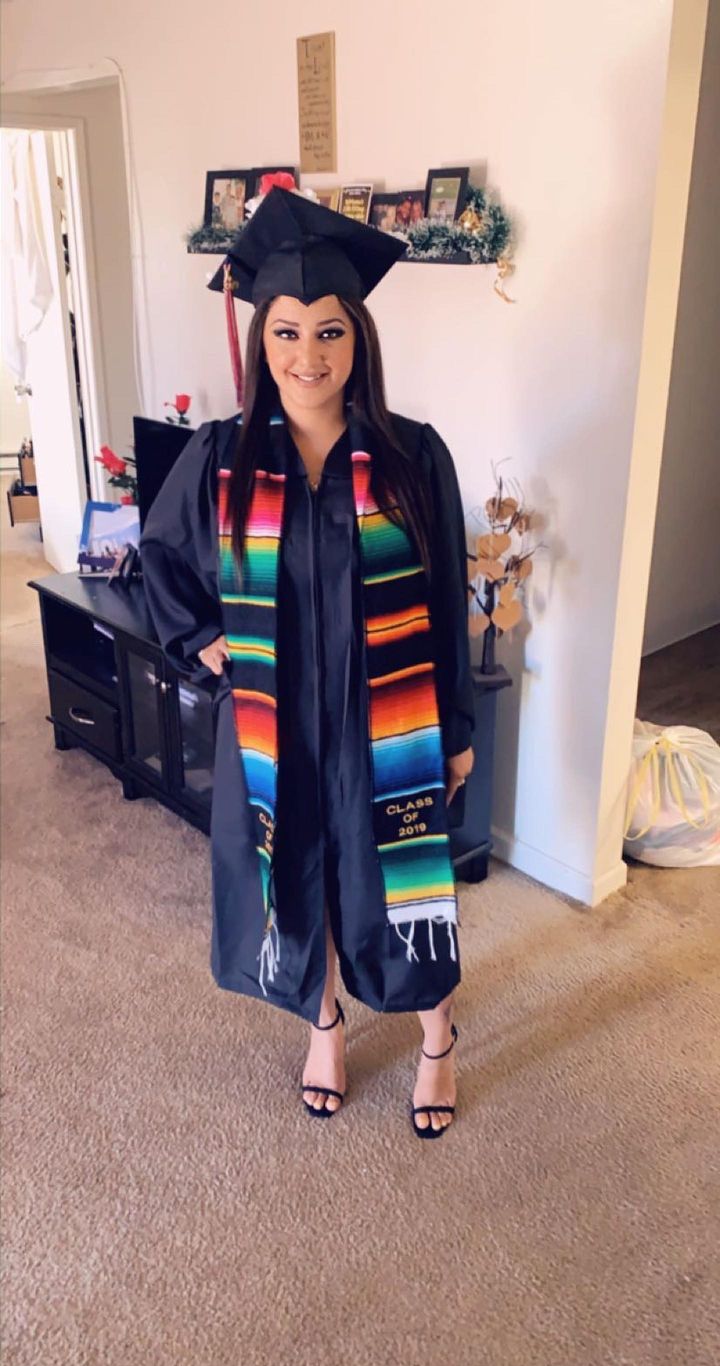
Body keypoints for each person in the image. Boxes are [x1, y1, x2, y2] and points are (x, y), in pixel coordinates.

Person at [140, 188, 475, 1139]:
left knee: (400, 881)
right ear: (262, 341)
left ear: (358, 338)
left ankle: (437, 1036)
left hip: (385, 723)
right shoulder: (223, 458)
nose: (308, 355)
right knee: (295, 876)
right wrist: (203, 639)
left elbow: (445, 601)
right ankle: (323, 1024)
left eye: (330, 331)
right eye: (286, 332)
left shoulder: (413, 457)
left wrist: (454, 729)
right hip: (274, 720)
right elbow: (160, 556)